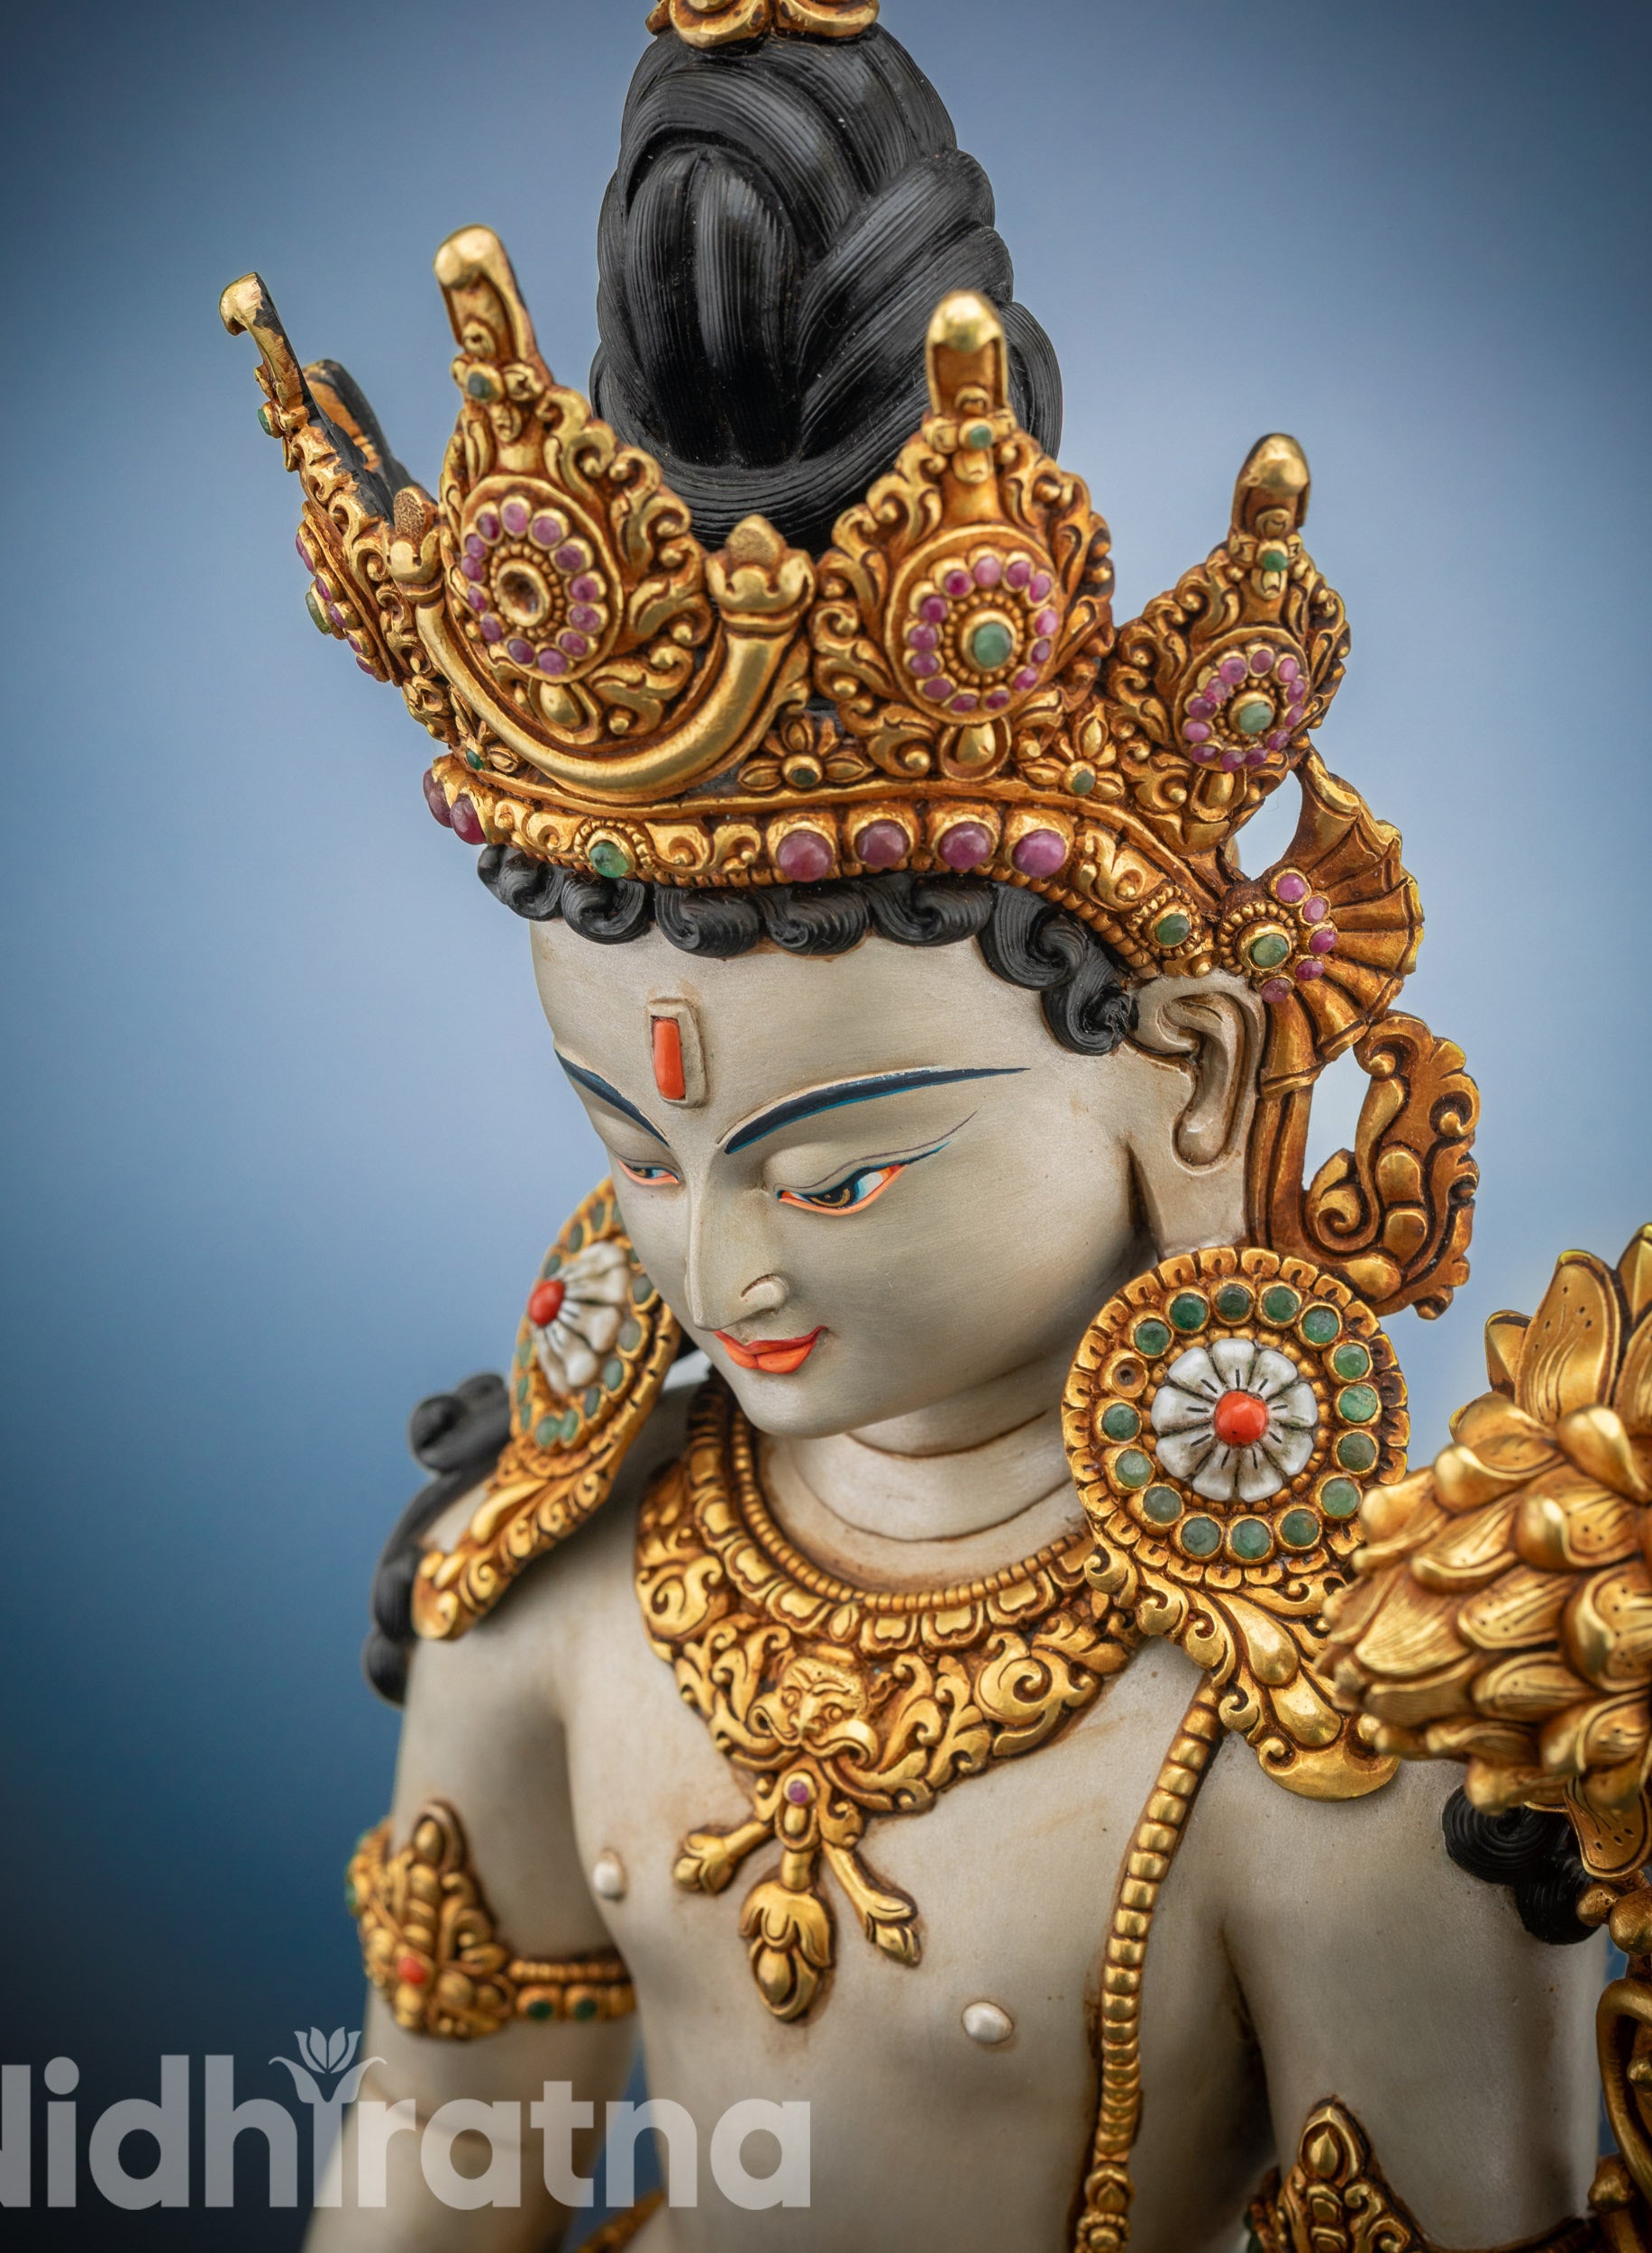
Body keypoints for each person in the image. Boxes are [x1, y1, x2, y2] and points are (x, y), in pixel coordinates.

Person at [224, 5, 1614, 2246]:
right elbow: (435, 2169)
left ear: (1184, 1067)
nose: (721, 1269)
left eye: (839, 1164)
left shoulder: (1337, 1739)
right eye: (633, 1142)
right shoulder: (543, 1611)